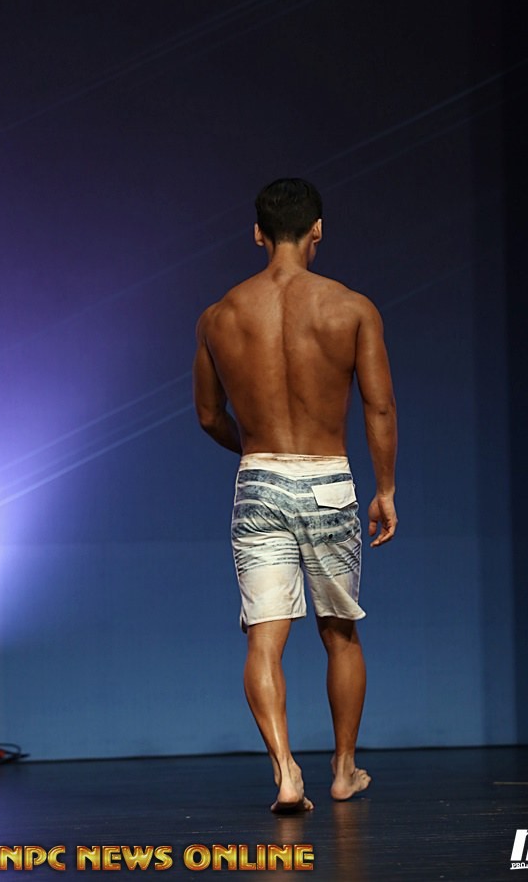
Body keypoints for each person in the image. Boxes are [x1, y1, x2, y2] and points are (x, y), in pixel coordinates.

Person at [193, 178, 397, 813]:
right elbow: (379, 407)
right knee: (340, 633)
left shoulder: (220, 315)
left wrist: (255, 453)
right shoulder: (350, 308)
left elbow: (208, 416)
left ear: (257, 233)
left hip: (258, 480)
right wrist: (385, 489)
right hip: (329, 480)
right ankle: (343, 769)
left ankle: (285, 771)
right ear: (317, 230)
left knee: (263, 639)